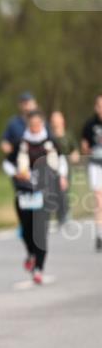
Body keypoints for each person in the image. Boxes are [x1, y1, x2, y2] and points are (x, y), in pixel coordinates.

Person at [4, 110, 67, 283]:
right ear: (28, 125)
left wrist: (61, 176)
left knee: (41, 230)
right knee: (26, 229)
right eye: (32, 124)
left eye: (38, 124)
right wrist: (16, 174)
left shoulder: (50, 142)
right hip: (24, 191)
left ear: (42, 124)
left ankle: (39, 267)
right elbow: (7, 163)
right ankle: (31, 254)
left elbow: (60, 160)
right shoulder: (20, 143)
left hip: (44, 190)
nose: (35, 127)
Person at [80, 94, 102, 252]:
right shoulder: (89, 124)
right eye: (99, 106)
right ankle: (100, 234)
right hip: (95, 165)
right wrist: (86, 149)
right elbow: (84, 144)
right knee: (98, 199)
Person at [48, 111, 73, 226]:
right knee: (54, 192)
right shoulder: (49, 137)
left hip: (65, 167)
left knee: (63, 191)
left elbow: (74, 149)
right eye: (53, 120)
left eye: (57, 119)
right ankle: (58, 216)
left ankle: (65, 214)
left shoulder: (67, 136)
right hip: (52, 168)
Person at [1, 91, 38, 156]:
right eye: (24, 103)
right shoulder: (13, 123)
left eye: (29, 103)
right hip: (17, 160)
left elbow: (51, 140)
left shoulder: (43, 122)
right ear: (20, 105)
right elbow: (5, 140)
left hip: (37, 161)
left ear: (35, 104)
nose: (27, 107)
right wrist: (5, 145)